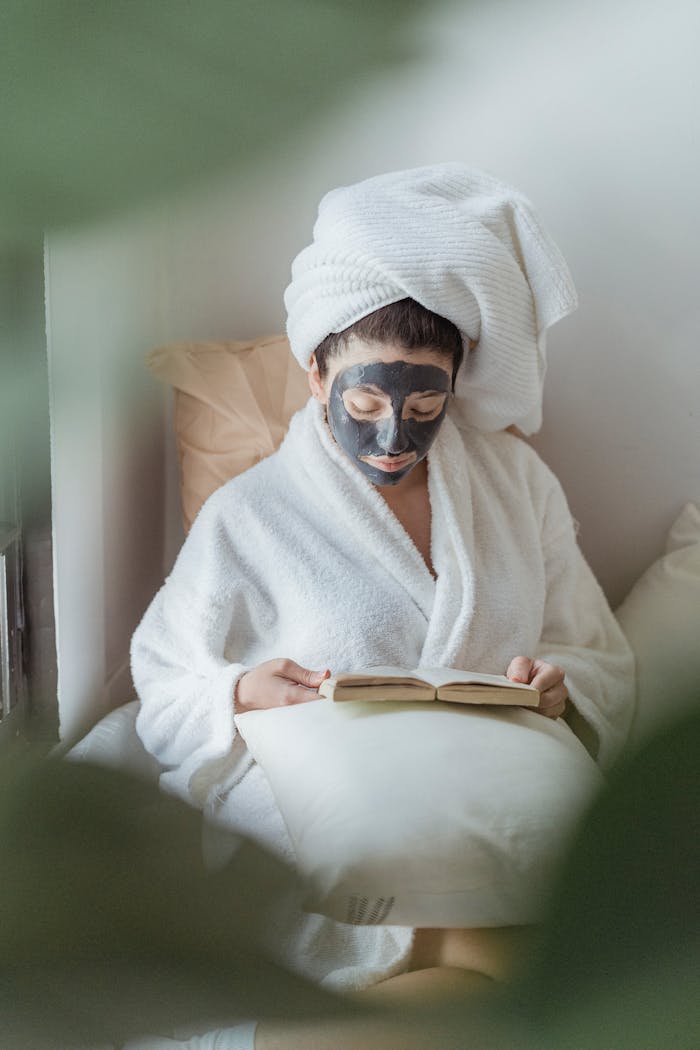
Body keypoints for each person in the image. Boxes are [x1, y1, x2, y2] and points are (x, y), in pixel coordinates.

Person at [130, 163, 635, 1048]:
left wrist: (561, 684)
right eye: (364, 399)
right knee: (514, 985)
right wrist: (239, 691)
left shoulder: (518, 485)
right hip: (330, 829)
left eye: (426, 402)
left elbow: (594, 651)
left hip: (487, 813)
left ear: (457, 383)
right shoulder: (250, 514)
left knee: (541, 965)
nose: (394, 436)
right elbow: (167, 677)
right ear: (316, 373)